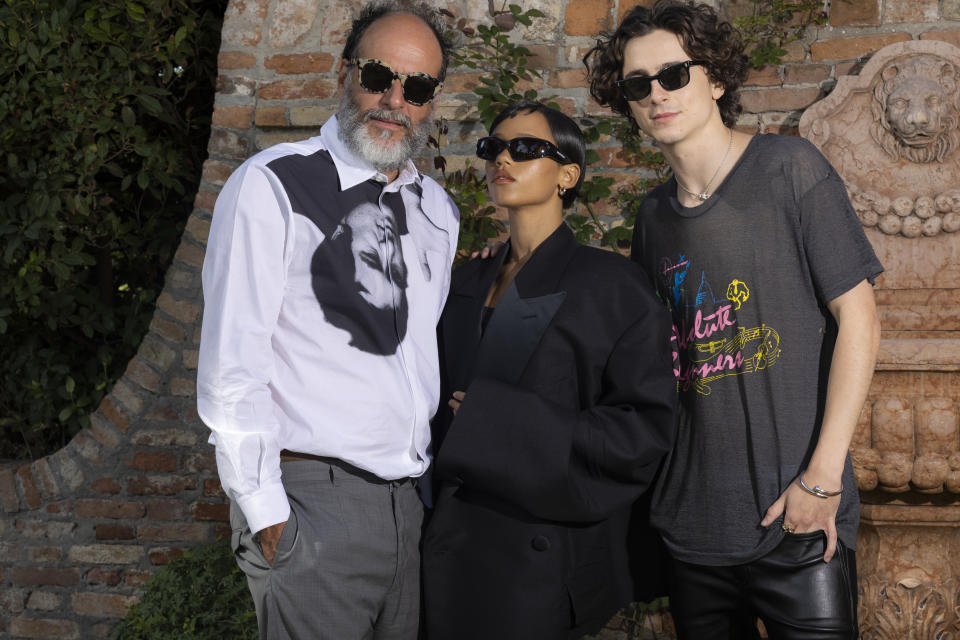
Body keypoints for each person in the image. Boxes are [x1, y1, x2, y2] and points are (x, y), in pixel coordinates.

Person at [584, 2, 883, 638]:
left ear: (716, 78)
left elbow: (860, 321)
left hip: (798, 522)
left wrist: (823, 479)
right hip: (691, 531)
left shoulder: (790, 170)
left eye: (673, 75)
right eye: (638, 85)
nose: (657, 95)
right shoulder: (653, 217)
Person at [196, 1, 459, 638]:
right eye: (378, 76)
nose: (394, 100)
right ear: (345, 74)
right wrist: (268, 517)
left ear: (430, 102)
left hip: (408, 506)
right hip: (312, 502)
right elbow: (233, 369)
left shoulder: (438, 211)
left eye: (417, 87)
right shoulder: (273, 185)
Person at [421, 100, 677, 639]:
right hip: (440, 549)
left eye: (527, 148)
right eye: (492, 148)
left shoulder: (611, 287)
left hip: (536, 558)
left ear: (568, 174)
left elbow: (643, 432)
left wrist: (504, 423)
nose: (502, 159)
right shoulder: (462, 282)